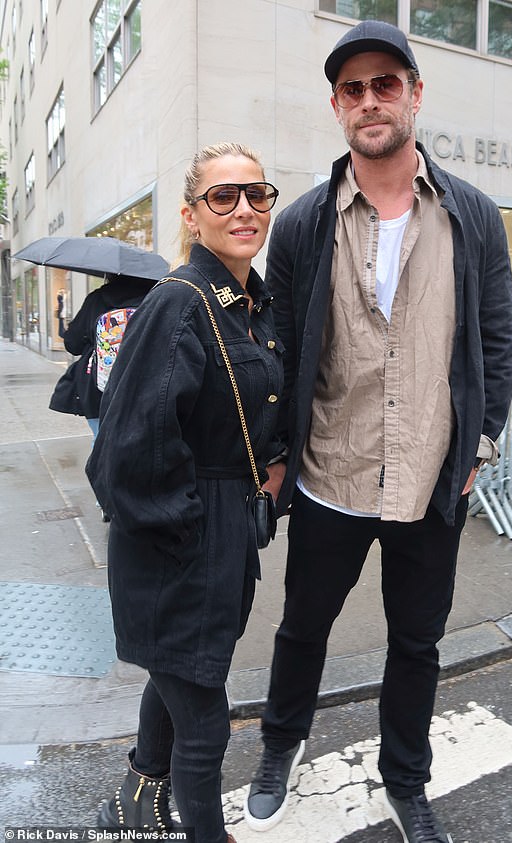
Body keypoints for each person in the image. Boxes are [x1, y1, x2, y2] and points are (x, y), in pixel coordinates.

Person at [243, 20, 512, 843]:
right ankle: (280, 748)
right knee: (302, 629)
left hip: (432, 476)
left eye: (385, 83)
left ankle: (406, 779)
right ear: (336, 106)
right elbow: (282, 348)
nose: (370, 100)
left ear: (414, 95)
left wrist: (481, 444)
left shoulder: (471, 214)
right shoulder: (301, 223)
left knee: (417, 644)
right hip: (332, 472)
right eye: (353, 88)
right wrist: (278, 456)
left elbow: (496, 338)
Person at [86, 142, 284, 843]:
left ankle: (137, 797)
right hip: (183, 539)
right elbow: (124, 456)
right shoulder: (179, 302)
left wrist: (273, 466)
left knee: (176, 678)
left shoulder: (249, 303)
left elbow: (255, 405)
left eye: (255, 194)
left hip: (224, 529)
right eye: (221, 197)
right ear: (191, 215)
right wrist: (189, 536)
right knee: (204, 720)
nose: (242, 209)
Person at [50, 273, 153, 440]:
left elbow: (73, 345)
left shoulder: (96, 299)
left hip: (96, 387)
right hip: (143, 383)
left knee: (100, 441)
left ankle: (101, 465)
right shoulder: (155, 299)